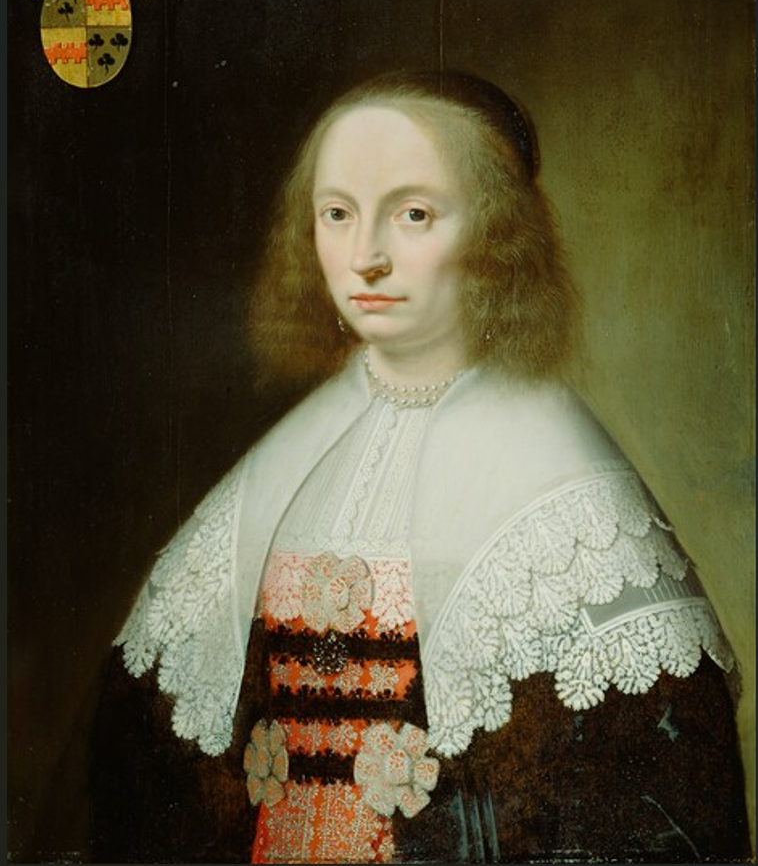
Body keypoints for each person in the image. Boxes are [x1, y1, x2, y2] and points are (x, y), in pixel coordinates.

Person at [91, 70, 751, 864]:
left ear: (495, 234)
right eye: (338, 214)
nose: (365, 257)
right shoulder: (288, 458)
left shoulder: (565, 485)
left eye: (413, 214)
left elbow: (650, 795)